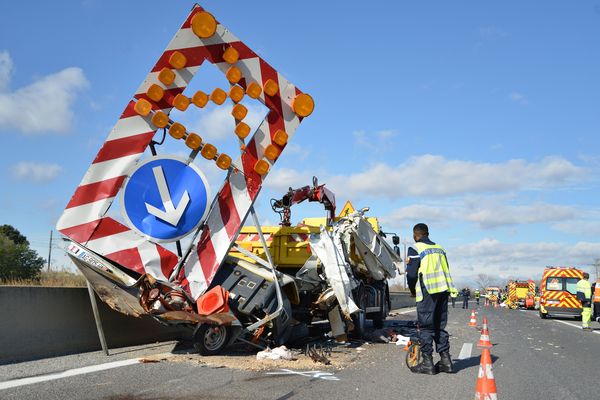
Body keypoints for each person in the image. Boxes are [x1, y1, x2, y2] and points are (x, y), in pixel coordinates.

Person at [406, 223, 456, 375]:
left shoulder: (415, 248)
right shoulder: (440, 248)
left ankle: (428, 363)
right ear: (428, 233)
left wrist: (412, 289)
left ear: (415, 235)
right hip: (443, 291)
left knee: (426, 327)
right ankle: (446, 362)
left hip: (427, 292)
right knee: (439, 327)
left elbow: (412, 274)